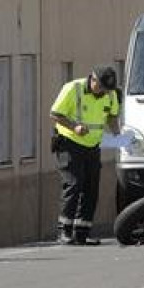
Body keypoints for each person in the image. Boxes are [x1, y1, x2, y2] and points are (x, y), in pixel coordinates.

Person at [50, 66, 121, 245]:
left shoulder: (110, 94)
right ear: (93, 79)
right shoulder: (73, 88)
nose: (104, 92)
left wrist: (119, 137)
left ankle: (82, 232)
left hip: (92, 146)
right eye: (102, 87)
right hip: (69, 143)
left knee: (91, 188)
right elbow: (55, 113)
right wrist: (74, 126)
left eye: (107, 89)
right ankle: (64, 231)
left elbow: (112, 117)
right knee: (74, 184)